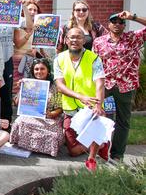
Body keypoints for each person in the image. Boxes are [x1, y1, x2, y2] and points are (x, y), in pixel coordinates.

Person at [93, 11, 146, 161]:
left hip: (126, 87)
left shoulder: (133, 38)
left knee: (123, 121)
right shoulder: (99, 42)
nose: (117, 24)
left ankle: (117, 155)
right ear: (108, 24)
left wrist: (133, 17)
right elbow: (95, 65)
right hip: (106, 86)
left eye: (120, 22)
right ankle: (101, 153)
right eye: (113, 21)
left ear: (124, 25)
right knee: (103, 119)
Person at [55, 27, 108, 171]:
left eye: (78, 37)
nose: (74, 40)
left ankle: (91, 159)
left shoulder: (93, 58)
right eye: (71, 37)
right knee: (72, 151)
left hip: (90, 105)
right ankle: (102, 142)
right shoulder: (59, 59)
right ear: (66, 40)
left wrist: (99, 104)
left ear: (84, 40)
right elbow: (60, 85)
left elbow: (100, 83)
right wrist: (80, 96)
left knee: (95, 127)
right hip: (70, 108)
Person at [9, 58, 64, 157]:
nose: (39, 72)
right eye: (36, 69)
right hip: (31, 116)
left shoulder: (55, 86)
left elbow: (60, 108)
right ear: (33, 71)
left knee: (54, 133)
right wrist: (22, 89)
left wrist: (51, 114)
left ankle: (44, 148)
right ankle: (27, 145)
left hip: (49, 117)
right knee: (19, 122)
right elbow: (17, 104)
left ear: (48, 71)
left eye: (42, 69)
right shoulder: (28, 84)